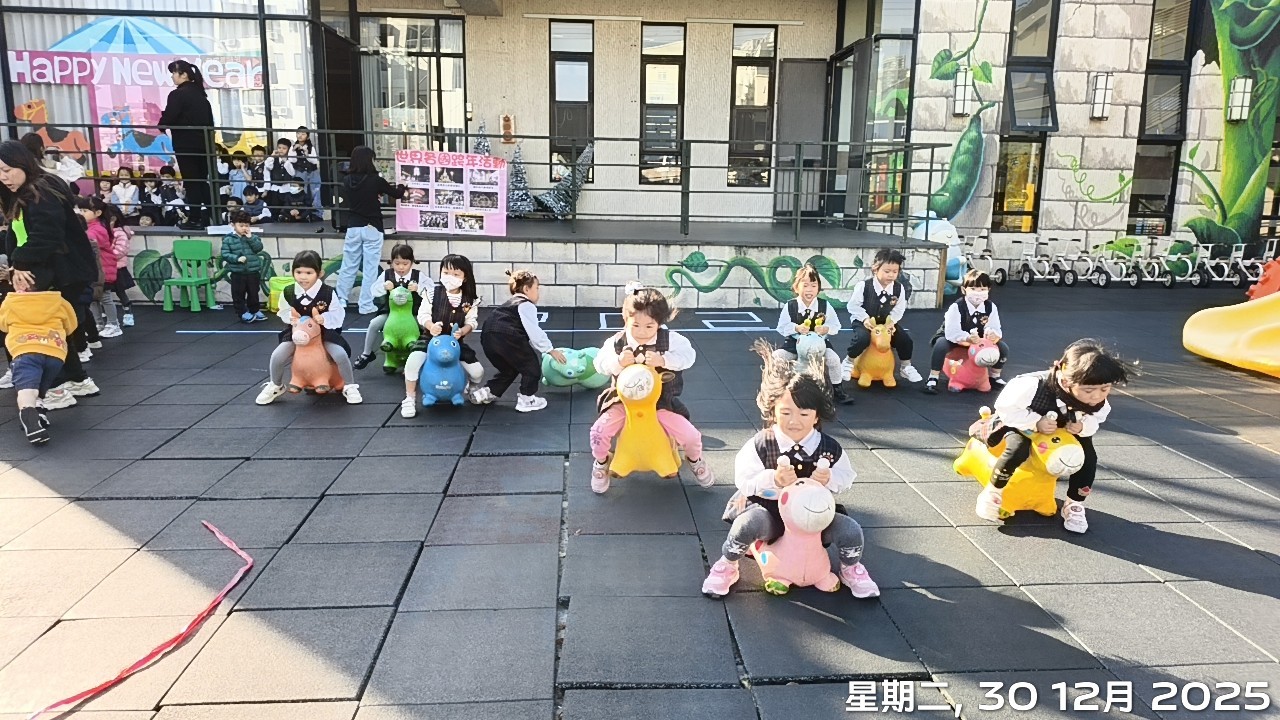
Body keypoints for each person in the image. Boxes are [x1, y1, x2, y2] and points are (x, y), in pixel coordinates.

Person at [701, 340, 879, 600]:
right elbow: (744, 480)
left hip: (812, 515)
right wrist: (772, 479)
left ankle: (850, 568)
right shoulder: (763, 444)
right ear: (773, 411)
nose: (794, 421)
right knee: (746, 524)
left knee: (851, 530)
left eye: (804, 415)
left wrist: (829, 478)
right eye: (786, 413)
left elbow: (846, 477)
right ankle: (728, 563)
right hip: (770, 511)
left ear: (816, 416)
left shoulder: (828, 448)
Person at [974, 339, 1130, 534]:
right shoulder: (1032, 385)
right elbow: (1007, 409)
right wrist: (1035, 422)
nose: (1096, 396)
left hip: (1066, 429)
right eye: (1089, 390)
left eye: (1105, 389)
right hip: (1024, 424)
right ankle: (993, 491)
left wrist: (1083, 426)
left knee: (1088, 457)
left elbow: (1097, 419)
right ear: (1066, 381)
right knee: (1017, 448)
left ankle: (1074, 503)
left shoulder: (1097, 400)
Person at [0, 141, 100, 409]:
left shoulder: (40, 192)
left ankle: (55, 389)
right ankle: (76, 380)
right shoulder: (29, 191)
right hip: (49, 269)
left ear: (22, 164)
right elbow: (21, 233)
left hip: (56, 271)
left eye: (7, 170)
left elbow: (47, 235)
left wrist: (21, 263)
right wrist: (18, 264)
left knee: (40, 332)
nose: (3, 177)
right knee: (54, 329)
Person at [588, 284, 712, 493]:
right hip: (623, 402)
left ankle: (695, 459)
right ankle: (601, 462)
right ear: (626, 319)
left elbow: (689, 357)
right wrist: (618, 362)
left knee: (691, 436)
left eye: (649, 326)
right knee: (598, 432)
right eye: (635, 325)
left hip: (661, 403)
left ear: (659, 324)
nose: (641, 332)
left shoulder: (670, 340)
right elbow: (599, 364)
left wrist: (664, 360)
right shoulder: (617, 342)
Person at [254, 250, 361, 405]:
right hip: (298, 333)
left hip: (324, 332)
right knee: (277, 356)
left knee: (340, 354)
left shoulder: (327, 293)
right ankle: (276, 385)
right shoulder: (289, 291)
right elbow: (283, 311)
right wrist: (291, 318)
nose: (303, 277)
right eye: (299, 272)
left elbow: (338, 314)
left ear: (319, 273)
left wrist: (323, 318)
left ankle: (349, 386)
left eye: (309, 273)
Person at [400, 254, 483, 418]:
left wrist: (463, 331)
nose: (450, 277)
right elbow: (422, 315)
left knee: (477, 372)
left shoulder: (470, 300)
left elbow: (472, 322)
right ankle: (409, 398)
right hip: (430, 340)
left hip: (455, 345)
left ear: (465, 277)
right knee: (412, 363)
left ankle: (472, 388)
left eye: (456, 274)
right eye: (446, 272)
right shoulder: (432, 293)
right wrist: (431, 326)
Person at [0, 270, 78, 444]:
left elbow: (3, 325)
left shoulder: (11, 302)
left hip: (25, 351)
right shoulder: (58, 301)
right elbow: (71, 325)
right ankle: (39, 412)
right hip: (54, 353)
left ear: (19, 284)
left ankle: (29, 417)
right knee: (41, 386)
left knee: (27, 388)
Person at [473, 270, 566, 409]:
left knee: (509, 370)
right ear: (526, 289)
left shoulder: (508, 304)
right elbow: (534, 331)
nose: (538, 292)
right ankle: (527, 399)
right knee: (531, 366)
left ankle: (487, 392)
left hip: (487, 338)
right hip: (507, 336)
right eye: (537, 288)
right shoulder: (526, 305)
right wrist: (550, 350)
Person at [334, 145, 407, 314]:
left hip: (353, 227)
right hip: (372, 227)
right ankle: (365, 304)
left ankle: (341, 299)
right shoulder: (375, 180)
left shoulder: (347, 180)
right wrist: (402, 186)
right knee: (370, 269)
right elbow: (396, 194)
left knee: (348, 265)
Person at [841, 248, 922, 384]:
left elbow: (899, 309)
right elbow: (853, 306)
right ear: (875, 269)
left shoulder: (898, 288)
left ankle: (906, 366)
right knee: (862, 338)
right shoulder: (864, 286)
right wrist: (864, 318)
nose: (891, 275)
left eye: (895, 272)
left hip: (885, 322)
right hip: (864, 320)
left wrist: (891, 322)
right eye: (887, 271)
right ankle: (848, 361)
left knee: (904, 339)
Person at [772, 263, 851, 404]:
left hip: (820, 344)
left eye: (813, 286)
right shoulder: (791, 306)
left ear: (818, 288)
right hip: (794, 344)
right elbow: (781, 327)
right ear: (796, 287)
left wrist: (826, 329)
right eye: (805, 285)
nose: (809, 290)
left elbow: (836, 325)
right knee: (777, 357)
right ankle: (778, 387)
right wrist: (796, 328)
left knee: (834, 359)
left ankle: (837, 388)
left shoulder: (824, 305)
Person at [923, 270, 1010, 394]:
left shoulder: (990, 307)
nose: (978, 293)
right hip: (954, 338)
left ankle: (994, 376)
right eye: (973, 289)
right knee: (941, 345)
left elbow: (995, 327)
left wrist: (992, 335)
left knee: (1003, 347)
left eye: (982, 289)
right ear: (964, 290)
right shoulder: (956, 307)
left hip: (978, 340)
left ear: (988, 290)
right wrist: (967, 339)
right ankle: (933, 377)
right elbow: (952, 332)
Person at [158, 59, 216, 230]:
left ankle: (195, 218)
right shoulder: (201, 95)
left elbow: (170, 116)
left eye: (174, 74)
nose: (172, 77)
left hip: (186, 143)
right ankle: (214, 215)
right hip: (204, 144)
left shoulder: (178, 94)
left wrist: (162, 124)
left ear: (183, 74)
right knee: (201, 181)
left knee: (191, 182)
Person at [354, 243, 423, 370]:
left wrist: (418, 288)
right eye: (397, 263)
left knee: (427, 325)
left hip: (413, 313)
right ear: (391, 262)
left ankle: (427, 353)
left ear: (412, 262)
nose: (401, 267)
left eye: (405, 263)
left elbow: (431, 291)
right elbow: (374, 290)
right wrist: (384, 287)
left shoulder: (419, 276)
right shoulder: (386, 275)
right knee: (374, 324)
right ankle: (366, 353)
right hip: (391, 313)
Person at [72, 196, 121, 339]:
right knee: (93, 297)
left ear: (98, 213)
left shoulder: (98, 228)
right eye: (81, 210)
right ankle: (98, 323)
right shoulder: (90, 227)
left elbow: (89, 240)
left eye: (85, 210)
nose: (82, 213)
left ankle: (113, 324)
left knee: (105, 297)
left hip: (103, 268)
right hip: (95, 268)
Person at [220, 211, 266, 323]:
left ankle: (255, 310)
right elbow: (225, 254)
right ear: (233, 225)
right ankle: (242, 312)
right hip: (238, 272)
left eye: (246, 225)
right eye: (241, 226)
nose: (244, 228)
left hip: (253, 271)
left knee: (254, 293)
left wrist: (250, 238)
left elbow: (258, 248)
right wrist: (236, 258)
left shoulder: (253, 237)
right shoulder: (228, 239)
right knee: (238, 294)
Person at [105, 206, 136, 327]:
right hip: (106, 266)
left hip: (117, 267)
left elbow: (121, 250)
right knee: (104, 293)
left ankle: (128, 313)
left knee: (120, 291)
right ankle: (107, 315)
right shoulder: (105, 230)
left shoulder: (120, 233)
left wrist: (106, 256)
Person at [293, 127, 322, 220]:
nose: (300, 136)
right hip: (300, 171)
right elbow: (292, 160)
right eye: (298, 133)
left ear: (307, 136)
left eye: (303, 134)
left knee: (316, 191)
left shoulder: (310, 147)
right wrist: (294, 150)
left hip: (312, 171)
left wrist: (306, 153)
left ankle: (318, 214)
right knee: (301, 192)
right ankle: (303, 214)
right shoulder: (293, 147)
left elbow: (314, 161)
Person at [263, 138, 299, 211]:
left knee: (286, 209)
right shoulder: (273, 159)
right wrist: (272, 156)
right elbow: (268, 166)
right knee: (274, 209)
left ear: (288, 149)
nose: (281, 150)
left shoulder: (290, 160)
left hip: (286, 189)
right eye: (279, 148)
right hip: (275, 189)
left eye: (284, 148)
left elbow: (292, 173)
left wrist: (286, 162)